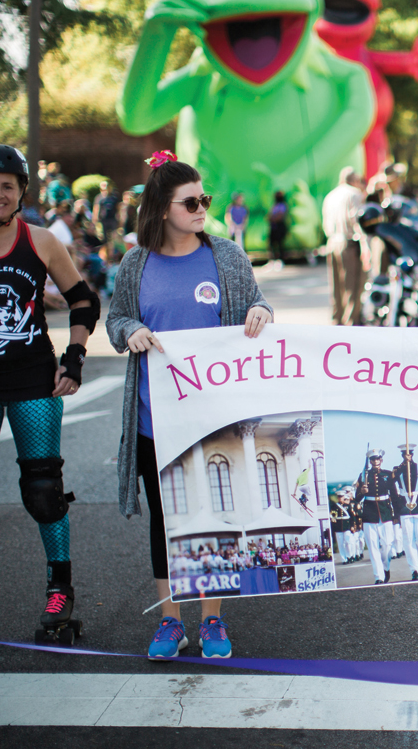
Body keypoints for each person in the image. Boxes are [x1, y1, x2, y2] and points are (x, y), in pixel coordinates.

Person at [106, 151, 273, 660]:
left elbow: (257, 302)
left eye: (206, 199)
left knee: (215, 516)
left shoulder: (226, 255)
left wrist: (262, 311)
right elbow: (116, 321)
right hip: (156, 420)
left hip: (216, 416)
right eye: (191, 201)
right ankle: (170, 623)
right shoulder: (135, 263)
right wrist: (130, 330)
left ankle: (214, 621)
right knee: (166, 520)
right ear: (160, 208)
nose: (202, 208)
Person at [0, 143, 100, 646]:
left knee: (45, 490)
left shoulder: (43, 241)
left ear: (21, 191)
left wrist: (73, 358)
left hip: (34, 380)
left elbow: (83, 301)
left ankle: (60, 590)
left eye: (8, 186)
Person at [321, 168, 366, 325]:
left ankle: (336, 321)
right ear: (354, 180)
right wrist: (365, 246)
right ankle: (351, 324)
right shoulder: (354, 194)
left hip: (331, 242)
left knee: (336, 287)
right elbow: (356, 221)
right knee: (352, 287)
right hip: (348, 243)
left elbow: (325, 223)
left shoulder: (329, 196)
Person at [356, 448, 396, 584]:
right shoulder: (363, 475)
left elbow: (394, 495)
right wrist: (362, 491)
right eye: (373, 459)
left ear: (381, 460)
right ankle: (378, 576)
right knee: (373, 547)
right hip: (369, 514)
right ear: (370, 461)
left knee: (387, 545)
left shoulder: (388, 474)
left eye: (378, 459)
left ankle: (385, 567)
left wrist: (396, 515)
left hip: (385, 512)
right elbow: (356, 499)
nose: (375, 461)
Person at [391, 443, 418, 580]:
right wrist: (402, 465)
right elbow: (392, 483)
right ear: (402, 455)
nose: (407, 456)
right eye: (405, 454)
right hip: (404, 506)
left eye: (409, 454)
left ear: (412, 454)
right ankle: (414, 569)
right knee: (408, 539)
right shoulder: (397, 469)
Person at [267, 190, 289, 268]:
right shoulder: (274, 205)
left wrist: (273, 218)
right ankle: (273, 260)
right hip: (273, 227)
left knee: (280, 244)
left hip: (280, 227)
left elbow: (280, 216)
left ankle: (281, 260)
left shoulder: (283, 205)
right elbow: (269, 216)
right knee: (272, 244)